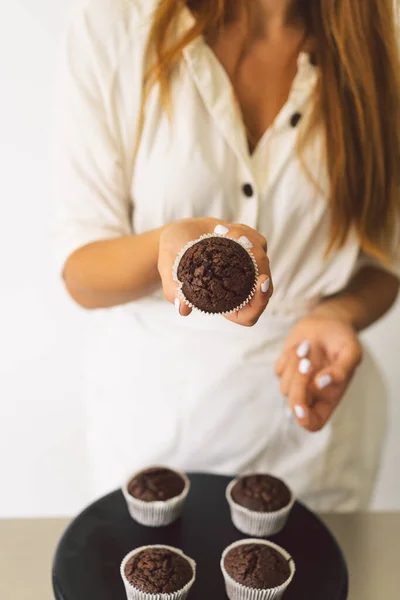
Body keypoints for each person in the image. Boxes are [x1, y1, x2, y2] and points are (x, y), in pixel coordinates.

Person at [55, 0, 400, 511]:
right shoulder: (117, 22)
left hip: (314, 437)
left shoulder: (382, 36)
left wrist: (337, 313)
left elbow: (382, 264)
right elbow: (81, 273)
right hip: (153, 428)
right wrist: (169, 247)